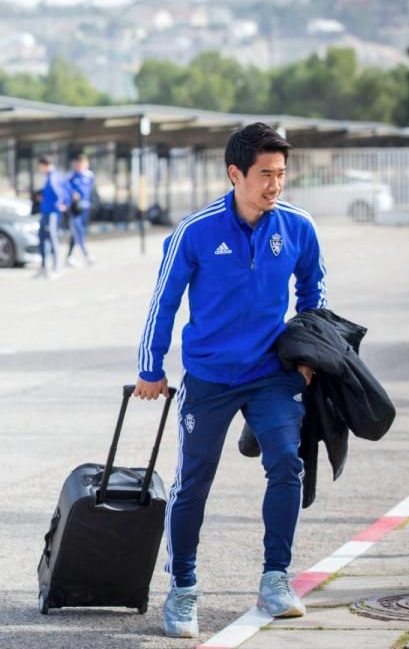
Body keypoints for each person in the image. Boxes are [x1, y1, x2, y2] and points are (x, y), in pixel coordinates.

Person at [134, 122, 325, 639]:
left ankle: (275, 579)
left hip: (271, 375)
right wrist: (151, 368)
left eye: (282, 174)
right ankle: (183, 589)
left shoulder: (298, 226)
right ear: (235, 173)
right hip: (210, 378)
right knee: (193, 483)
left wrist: (309, 356)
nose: (275, 185)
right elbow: (164, 303)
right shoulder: (195, 231)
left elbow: (314, 291)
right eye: (265, 174)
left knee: (288, 462)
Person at [34, 156, 67, 279]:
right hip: (46, 211)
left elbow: (60, 193)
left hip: (51, 212)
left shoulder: (53, 177)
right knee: (42, 237)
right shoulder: (50, 176)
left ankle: (56, 266)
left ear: (44, 165)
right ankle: (44, 267)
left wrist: (60, 205)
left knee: (52, 237)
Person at [65, 154, 95, 266]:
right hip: (74, 208)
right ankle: (86, 255)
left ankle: (69, 256)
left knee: (75, 233)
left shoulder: (90, 176)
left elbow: (90, 191)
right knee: (78, 231)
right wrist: (72, 195)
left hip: (85, 207)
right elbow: (65, 188)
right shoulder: (72, 176)